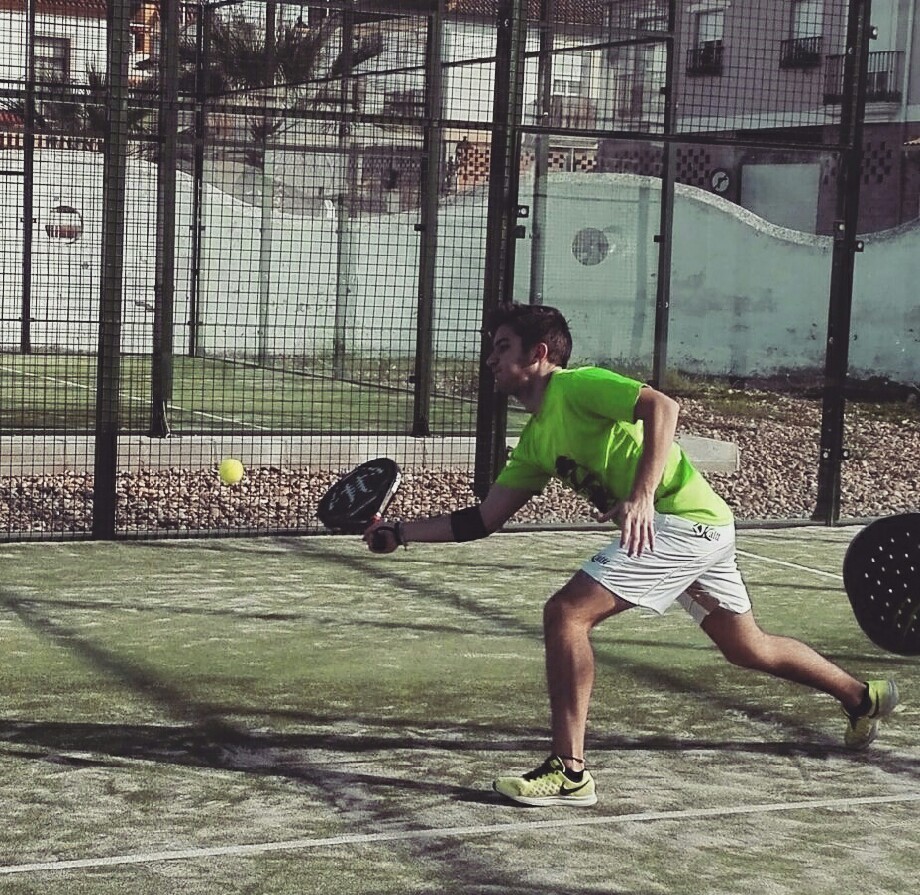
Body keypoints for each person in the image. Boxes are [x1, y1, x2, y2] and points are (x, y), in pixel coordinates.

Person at [363, 301, 899, 807]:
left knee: (567, 613)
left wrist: (641, 496)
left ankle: (569, 771)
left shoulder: (577, 385)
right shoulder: (536, 440)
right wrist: (400, 533)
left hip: (680, 520)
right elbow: (483, 519)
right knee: (747, 647)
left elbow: (662, 406)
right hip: (699, 527)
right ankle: (862, 697)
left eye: (502, 347)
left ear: (539, 354)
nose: (491, 359)